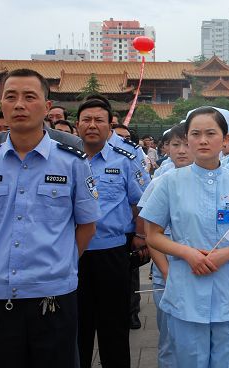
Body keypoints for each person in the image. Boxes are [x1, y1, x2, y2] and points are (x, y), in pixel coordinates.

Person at [0, 68, 101, 368]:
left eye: (29, 97)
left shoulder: (72, 162)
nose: (19, 104)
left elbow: (87, 226)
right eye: (11, 97)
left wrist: (60, 262)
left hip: (54, 294)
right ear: (2, 104)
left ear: (46, 107)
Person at [141, 106, 229, 367]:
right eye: (195, 134)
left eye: (211, 133)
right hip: (186, 289)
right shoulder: (169, 183)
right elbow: (152, 234)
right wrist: (187, 253)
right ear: (187, 138)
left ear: (226, 138)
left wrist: (224, 255)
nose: (203, 140)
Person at [75, 97, 148, 368]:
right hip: (73, 254)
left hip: (112, 252)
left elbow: (141, 202)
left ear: (110, 126)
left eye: (99, 120)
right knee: (77, 325)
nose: (92, 125)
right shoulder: (67, 160)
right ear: (77, 125)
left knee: (114, 326)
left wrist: (140, 237)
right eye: (86, 120)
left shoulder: (126, 161)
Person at [137, 123, 194, 368]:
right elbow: (151, 233)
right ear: (166, 148)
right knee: (169, 337)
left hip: (198, 270)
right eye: (175, 144)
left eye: (186, 144)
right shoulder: (160, 182)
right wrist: (166, 271)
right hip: (166, 272)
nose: (181, 150)